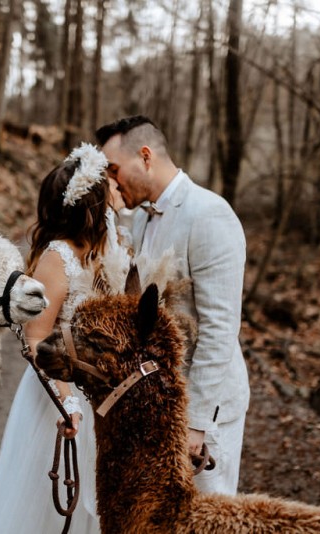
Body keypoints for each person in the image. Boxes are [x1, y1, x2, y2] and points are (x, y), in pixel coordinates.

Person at [0, 143, 125, 534]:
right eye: (108, 187)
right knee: (48, 509)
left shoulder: (102, 251)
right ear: (91, 204)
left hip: (100, 392)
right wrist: (67, 402)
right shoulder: (57, 258)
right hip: (59, 396)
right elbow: (36, 339)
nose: (115, 192)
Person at [96, 115, 250, 495]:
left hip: (205, 409)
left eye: (114, 170)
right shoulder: (142, 220)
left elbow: (220, 327)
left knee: (205, 517)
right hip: (156, 400)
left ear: (145, 157)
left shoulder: (209, 215)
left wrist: (196, 422)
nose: (110, 182)